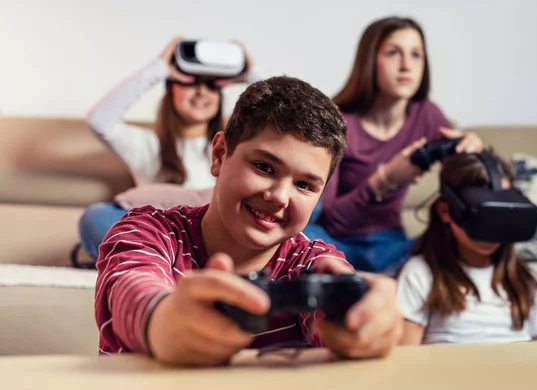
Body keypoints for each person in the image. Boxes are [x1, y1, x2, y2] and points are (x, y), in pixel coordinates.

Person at [94, 76, 402, 366]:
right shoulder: (145, 232)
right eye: (264, 167)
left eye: (305, 185)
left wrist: (361, 324)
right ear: (218, 155)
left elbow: (342, 327)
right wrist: (162, 322)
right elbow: (129, 290)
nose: (280, 196)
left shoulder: (315, 262)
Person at [302, 16, 484, 273]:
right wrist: (385, 179)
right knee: (302, 232)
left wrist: (473, 152)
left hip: (394, 245)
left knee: (451, 240)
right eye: (393, 53)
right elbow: (331, 219)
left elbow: (468, 176)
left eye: (416, 55)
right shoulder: (337, 121)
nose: (406, 66)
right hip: (336, 242)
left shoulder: (427, 115)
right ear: (369, 61)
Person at [76, 36, 262, 261]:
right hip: (164, 238)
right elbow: (100, 120)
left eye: (211, 85)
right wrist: (158, 69)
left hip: (224, 236)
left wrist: (250, 74)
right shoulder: (146, 145)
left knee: (310, 218)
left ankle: (190, 263)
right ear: (170, 88)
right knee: (96, 218)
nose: (201, 92)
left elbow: (286, 126)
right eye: (189, 82)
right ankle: (182, 262)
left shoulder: (234, 145)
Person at [396, 151, 537, 345]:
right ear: (445, 211)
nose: (491, 230)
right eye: (482, 216)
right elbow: (405, 356)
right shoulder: (420, 275)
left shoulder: (524, 279)